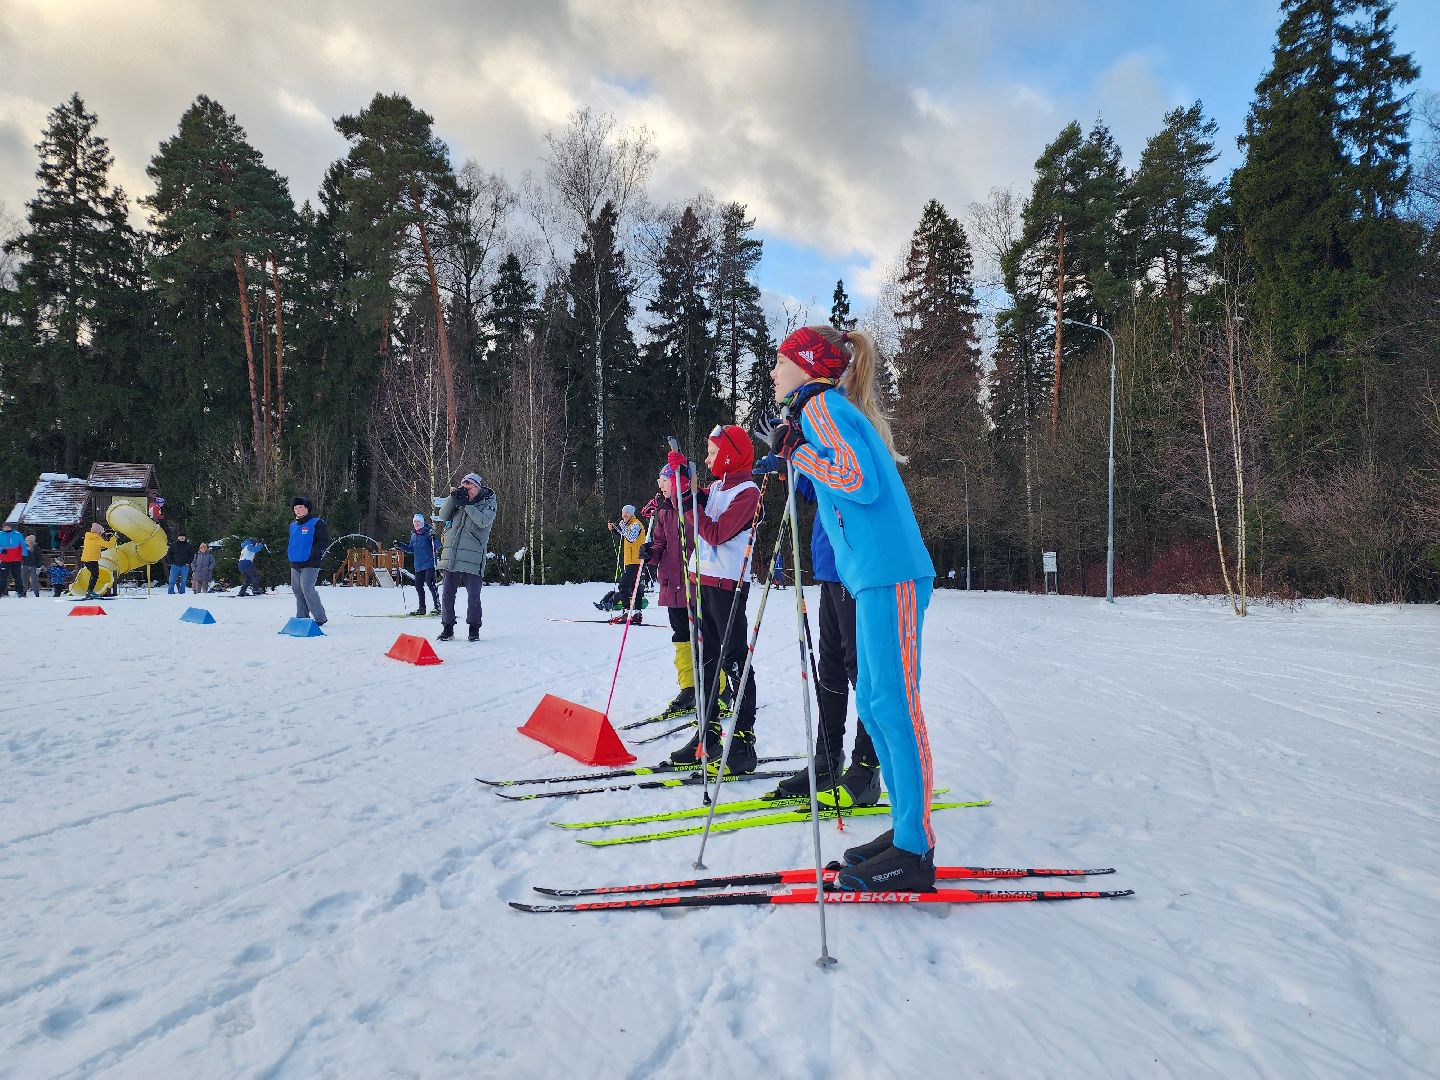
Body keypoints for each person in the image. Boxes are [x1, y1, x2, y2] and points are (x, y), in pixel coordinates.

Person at [758, 324, 937, 890]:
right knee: (880, 703)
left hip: (891, 574)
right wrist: (793, 458)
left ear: (806, 365)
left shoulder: (822, 405)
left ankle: (915, 845)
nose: (771, 372)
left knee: (895, 706)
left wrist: (799, 453)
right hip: (873, 578)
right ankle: (905, 830)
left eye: (778, 361)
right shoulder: (819, 409)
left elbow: (857, 480)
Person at [757, 446, 881, 809]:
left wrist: (797, 458)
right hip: (829, 568)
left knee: (862, 671)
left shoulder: (847, 426)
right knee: (829, 668)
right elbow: (816, 489)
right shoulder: (820, 435)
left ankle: (866, 769)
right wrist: (790, 470)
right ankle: (827, 760)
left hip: (854, 569)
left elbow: (852, 484)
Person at [664, 425, 761, 775]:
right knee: (705, 660)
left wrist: (690, 500)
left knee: (734, 660)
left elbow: (715, 533)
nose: (707, 459)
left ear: (730, 454)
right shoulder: (717, 487)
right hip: (701, 581)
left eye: (712, 452)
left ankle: (743, 741)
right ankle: (708, 735)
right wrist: (682, 482)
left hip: (728, 587)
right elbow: (687, 502)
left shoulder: (748, 492)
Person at [642, 463, 698, 716]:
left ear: (675, 481)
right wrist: (650, 553)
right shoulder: (663, 511)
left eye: (663, 479)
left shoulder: (695, 506)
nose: (659, 484)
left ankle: (720, 688)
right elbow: (661, 544)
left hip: (694, 584)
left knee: (703, 636)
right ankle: (689, 688)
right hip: (671, 584)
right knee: (680, 635)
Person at [436, 472, 497, 642]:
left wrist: (467, 505)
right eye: (464, 487)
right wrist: (453, 497)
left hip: (473, 556)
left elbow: (484, 521)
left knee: (473, 596)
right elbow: (442, 516)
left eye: (469, 488)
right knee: (447, 593)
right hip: (452, 555)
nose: (467, 491)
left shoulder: (488, 501)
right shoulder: (459, 500)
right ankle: (447, 627)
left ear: (478, 487)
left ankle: (474, 629)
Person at [288, 498, 329, 625]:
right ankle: (302, 616)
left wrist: (313, 553)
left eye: (300, 507)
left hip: (310, 563)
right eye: (295, 508)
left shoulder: (317, 523)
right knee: (297, 589)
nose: (297, 510)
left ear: (307, 508)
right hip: (295, 562)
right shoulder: (293, 525)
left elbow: (323, 541)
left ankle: (320, 618)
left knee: (307, 588)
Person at [606, 505, 646, 624]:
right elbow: (624, 535)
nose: (624, 515)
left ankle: (626, 612)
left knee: (623, 586)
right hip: (632, 561)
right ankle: (637, 614)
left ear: (632, 514)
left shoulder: (635, 524)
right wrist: (614, 529)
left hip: (635, 561)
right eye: (623, 513)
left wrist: (621, 526)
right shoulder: (629, 525)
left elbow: (631, 538)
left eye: (627, 513)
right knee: (635, 588)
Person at [395, 513, 441, 615]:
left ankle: (438, 607)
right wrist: (400, 545)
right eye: (415, 521)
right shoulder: (413, 534)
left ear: (422, 522)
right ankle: (422, 608)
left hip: (429, 563)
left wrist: (434, 538)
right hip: (418, 564)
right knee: (418, 586)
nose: (416, 523)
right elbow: (411, 549)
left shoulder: (428, 532)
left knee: (430, 584)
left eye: (418, 521)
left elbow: (437, 546)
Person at [79, 522, 114, 599]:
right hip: (92, 560)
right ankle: (90, 591)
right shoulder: (97, 538)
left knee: (94, 575)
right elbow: (109, 545)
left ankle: (89, 591)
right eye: (101, 532)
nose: (102, 534)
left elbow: (95, 546)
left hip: (86, 559)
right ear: (98, 532)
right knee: (95, 575)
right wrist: (113, 539)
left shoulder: (88, 537)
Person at [0, 523, 25, 597]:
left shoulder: (18, 534)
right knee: (3, 577)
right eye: (5, 527)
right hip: (4, 559)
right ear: (3, 528)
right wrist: (1, 550)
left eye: (8, 527)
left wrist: (24, 555)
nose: (7, 528)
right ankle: (1, 592)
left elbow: (23, 545)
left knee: (18, 577)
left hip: (16, 559)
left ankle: (20, 592)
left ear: (11, 527)